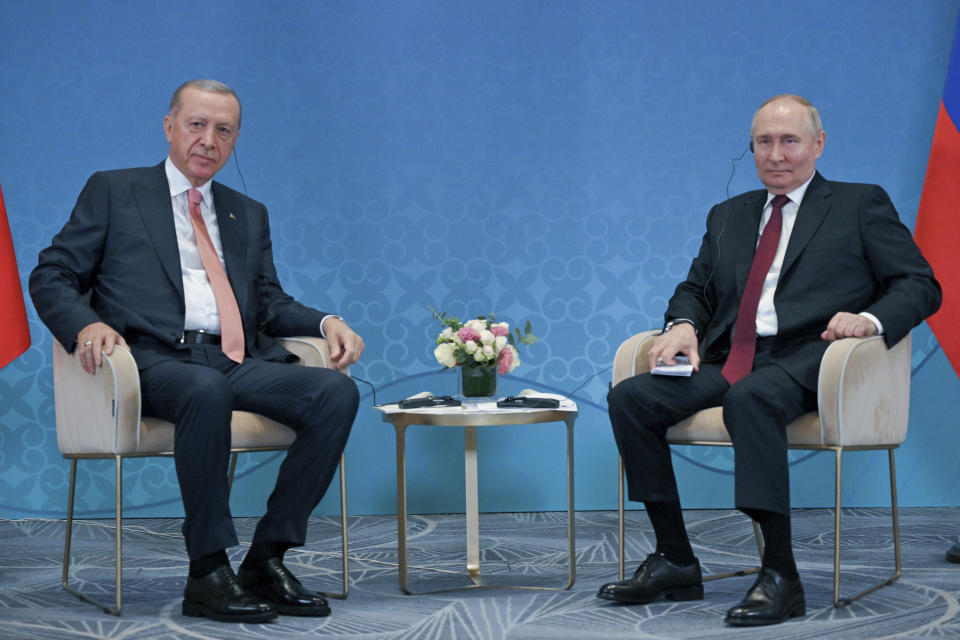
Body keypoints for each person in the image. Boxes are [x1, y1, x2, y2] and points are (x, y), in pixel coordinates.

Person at [597, 94, 941, 626]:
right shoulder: (729, 215)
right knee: (631, 397)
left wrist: (868, 321)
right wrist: (684, 324)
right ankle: (675, 558)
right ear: (752, 147)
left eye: (789, 140)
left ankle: (781, 574)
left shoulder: (858, 204)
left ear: (818, 145)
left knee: (751, 397)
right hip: (730, 359)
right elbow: (696, 289)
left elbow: (919, 283)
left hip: (813, 362)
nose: (775, 154)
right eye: (764, 141)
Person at [30, 79, 364, 623]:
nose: (209, 140)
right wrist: (85, 325)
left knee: (335, 391)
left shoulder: (247, 212)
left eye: (224, 131)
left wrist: (328, 321)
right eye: (197, 125)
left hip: (234, 360)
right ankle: (207, 570)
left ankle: (266, 557)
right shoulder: (115, 191)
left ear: (234, 143)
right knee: (203, 389)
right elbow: (52, 274)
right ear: (169, 127)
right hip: (150, 362)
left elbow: (269, 303)